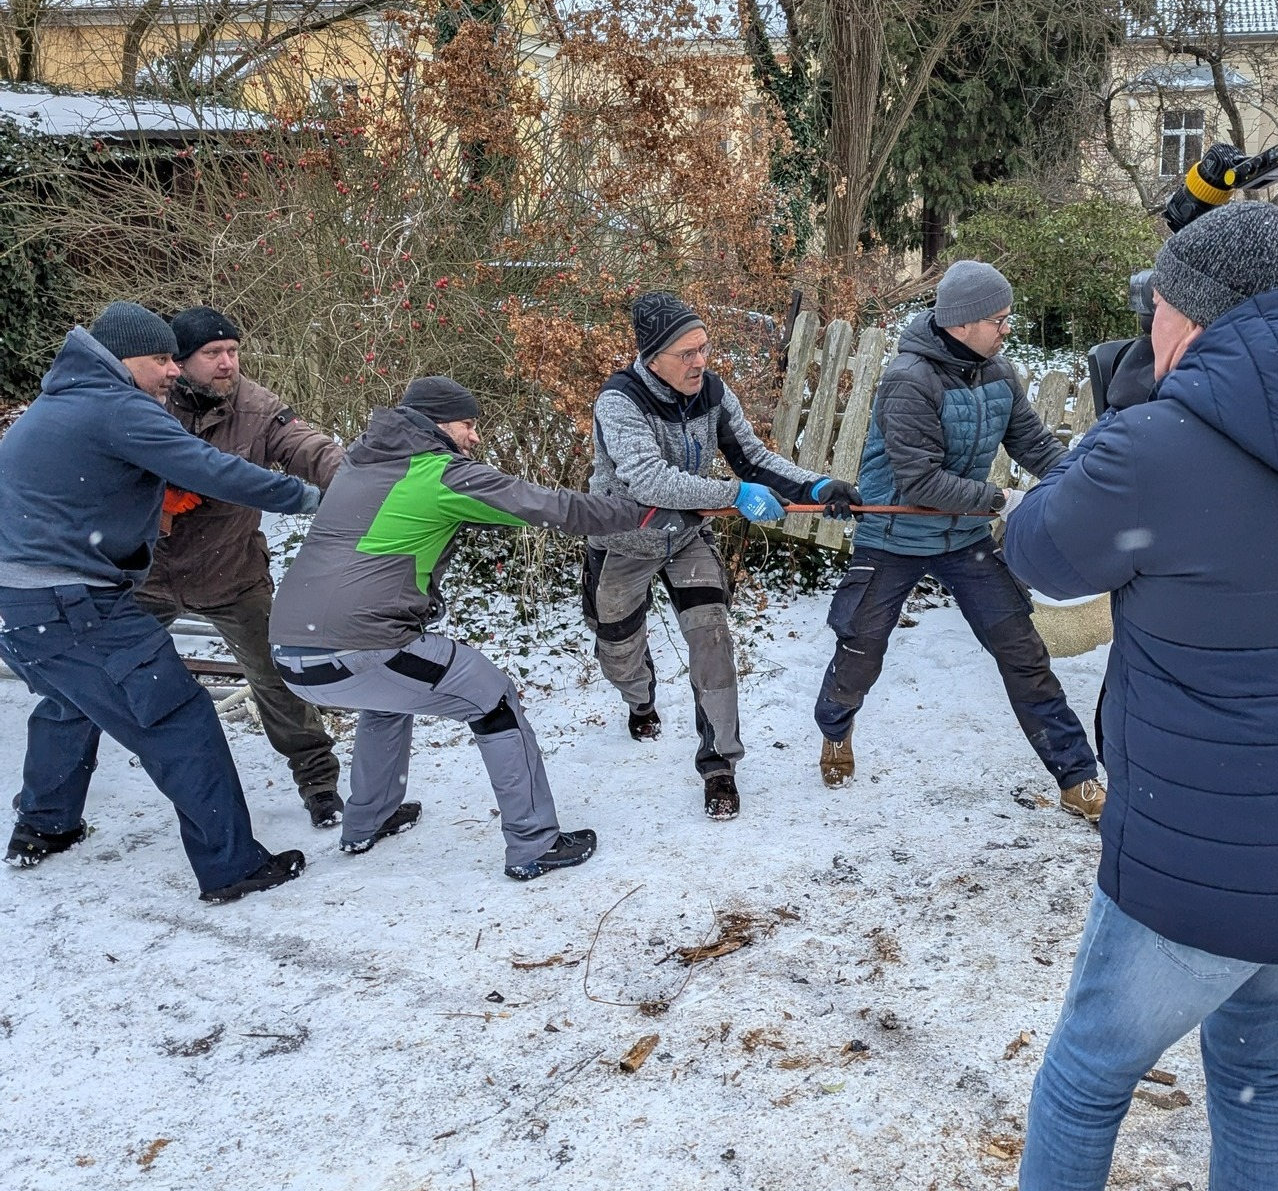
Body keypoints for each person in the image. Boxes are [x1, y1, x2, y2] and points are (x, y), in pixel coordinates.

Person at [998, 204, 1278, 1191]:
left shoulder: (1155, 447)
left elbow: (1040, 556)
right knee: (1256, 1083)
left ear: (1186, 317)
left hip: (1199, 873)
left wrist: (1126, 427)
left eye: (1156, 309)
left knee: (1086, 1078)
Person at [269, 376, 696, 880]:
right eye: (468, 425)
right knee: (492, 698)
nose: (474, 437)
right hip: (361, 643)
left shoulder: (361, 467)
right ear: (435, 424)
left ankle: (368, 820)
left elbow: (490, 514)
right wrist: (646, 512)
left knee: (390, 700)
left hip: (294, 652)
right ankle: (535, 843)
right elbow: (551, 507)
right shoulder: (439, 473)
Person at [0, 303, 321, 903]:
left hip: (25, 606)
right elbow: (211, 468)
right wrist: (309, 498)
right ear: (124, 359)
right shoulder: (116, 407)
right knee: (180, 720)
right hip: (79, 605)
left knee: (70, 705)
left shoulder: (57, 403)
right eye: (161, 359)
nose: (174, 370)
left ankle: (44, 826)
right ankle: (232, 867)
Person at [812, 260, 1104, 823]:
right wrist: (1001, 500)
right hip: (893, 536)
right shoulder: (908, 380)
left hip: (964, 538)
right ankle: (835, 729)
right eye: (998, 318)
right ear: (962, 322)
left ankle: (1077, 778)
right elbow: (920, 482)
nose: (1006, 328)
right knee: (861, 648)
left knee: (1024, 653)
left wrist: (1084, 483)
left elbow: (1036, 446)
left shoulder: (998, 373)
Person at [585, 292, 860, 821]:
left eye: (703, 348)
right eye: (686, 353)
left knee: (712, 638)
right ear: (652, 357)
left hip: (688, 537)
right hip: (623, 541)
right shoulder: (619, 401)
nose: (700, 362)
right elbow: (647, 479)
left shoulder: (712, 393)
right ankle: (640, 698)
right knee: (617, 647)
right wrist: (732, 496)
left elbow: (751, 458)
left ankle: (719, 768)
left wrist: (819, 486)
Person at [136, 305, 347, 829]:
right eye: (212, 354)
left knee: (278, 679)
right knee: (99, 675)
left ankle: (319, 781)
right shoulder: (145, 404)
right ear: (179, 362)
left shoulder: (256, 407)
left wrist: (353, 477)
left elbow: (305, 445)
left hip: (233, 572)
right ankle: (49, 810)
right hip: (148, 576)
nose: (228, 362)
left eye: (233, 351)